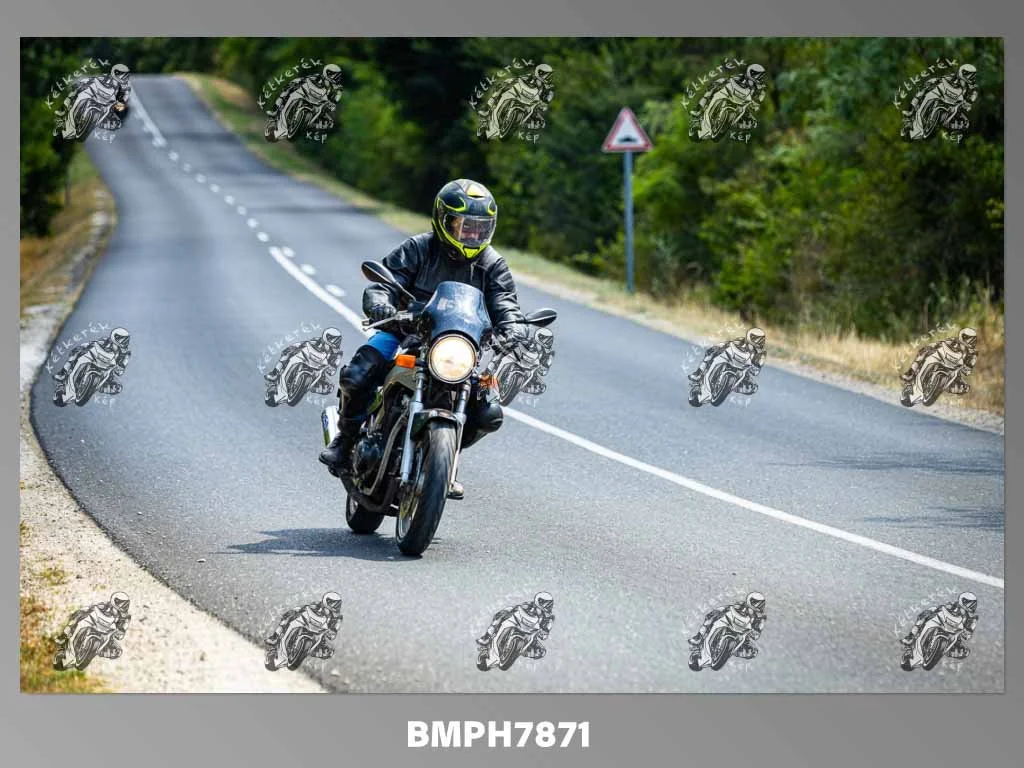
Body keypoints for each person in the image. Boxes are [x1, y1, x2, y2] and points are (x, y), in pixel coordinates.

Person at [319, 179, 527, 499]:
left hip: (459, 345)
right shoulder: (418, 248)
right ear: (443, 221)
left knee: (488, 411)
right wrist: (381, 304)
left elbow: (505, 304)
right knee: (359, 372)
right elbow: (384, 282)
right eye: (464, 227)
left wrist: (513, 329)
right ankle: (344, 441)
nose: (472, 235)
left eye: (479, 229)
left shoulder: (492, 264)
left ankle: (441, 460)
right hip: (404, 332)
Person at [52, 327, 131, 406]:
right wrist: (82, 347)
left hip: (107, 369)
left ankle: (97, 387)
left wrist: (120, 367)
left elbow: (120, 370)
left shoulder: (126, 353)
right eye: (120, 338)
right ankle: (63, 372)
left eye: (125, 340)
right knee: (76, 352)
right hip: (93, 359)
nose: (122, 342)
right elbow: (91, 343)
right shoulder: (105, 341)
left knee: (117, 388)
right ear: (114, 336)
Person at [265, 64, 344, 142]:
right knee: (287, 91)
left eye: (337, 75)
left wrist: (333, 103)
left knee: (328, 119)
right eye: (333, 74)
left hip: (319, 103)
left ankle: (310, 128)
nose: (335, 77)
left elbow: (337, 96)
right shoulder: (317, 77)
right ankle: (275, 111)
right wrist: (295, 82)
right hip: (305, 94)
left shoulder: (337, 88)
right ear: (326, 72)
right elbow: (304, 79)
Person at [688, 592, 767, 670]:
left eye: (760, 604)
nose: (758, 605)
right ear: (750, 600)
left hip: (743, 632)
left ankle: (729, 652)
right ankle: (699, 637)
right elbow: (726, 608)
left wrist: (754, 632)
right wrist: (718, 611)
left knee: (752, 652)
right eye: (756, 602)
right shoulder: (740, 605)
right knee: (711, 618)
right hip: (729, 622)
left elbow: (757, 633)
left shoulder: (761, 617)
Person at [901, 327, 978, 406]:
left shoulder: (973, 353)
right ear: (962, 336)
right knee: (924, 351)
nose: (971, 341)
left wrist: (967, 368)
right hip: (941, 359)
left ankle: (940, 389)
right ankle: (911, 372)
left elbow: (969, 368)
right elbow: (939, 343)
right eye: (968, 338)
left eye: (973, 339)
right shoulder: (953, 341)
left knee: (964, 388)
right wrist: (931, 347)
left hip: (954, 369)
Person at [900, 592, 978, 670]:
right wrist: (935, 611)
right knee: (926, 613)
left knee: (965, 652)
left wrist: (966, 633)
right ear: (962, 601)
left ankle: (944, 652)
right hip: (941, 623)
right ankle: (911, 636)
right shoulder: (952, 605)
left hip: (954, 633)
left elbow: (968, 634)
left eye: (973, 604)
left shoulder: (972, 618)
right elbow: (940, 608)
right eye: (970, 603)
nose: (971, 606)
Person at [56, 63, 131, 141]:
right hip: (97, 97)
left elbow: (125, 96)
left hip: (111, 103)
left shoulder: (124, 86)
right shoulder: (104, 78)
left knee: (124, 107)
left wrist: (122, 101)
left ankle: (119, 119)